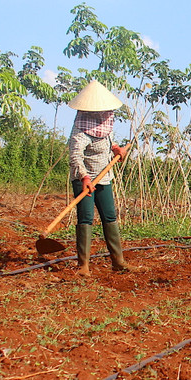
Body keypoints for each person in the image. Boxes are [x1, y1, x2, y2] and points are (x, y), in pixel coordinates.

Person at [67, 79, 132, 276]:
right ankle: (83, 266)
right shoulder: (80, 131)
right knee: (86, 218)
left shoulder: (105, 123)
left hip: (104, 177)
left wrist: (117, 150)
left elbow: (109, 141)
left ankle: (118, 261)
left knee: (109, 216)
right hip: (84, 179)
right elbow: (75, 157)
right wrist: (85, 178)